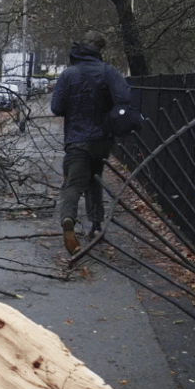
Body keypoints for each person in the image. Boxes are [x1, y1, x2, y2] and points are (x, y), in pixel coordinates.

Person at [50, 30, 135, 255]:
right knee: (94, 180)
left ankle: (68, 218)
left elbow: (56, 107)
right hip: (101, 140)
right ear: (99, 49)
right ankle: (96, 225)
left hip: (77, 140)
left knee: (74, 183)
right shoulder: (108, 72)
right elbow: (125, 98)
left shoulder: (68, 74)